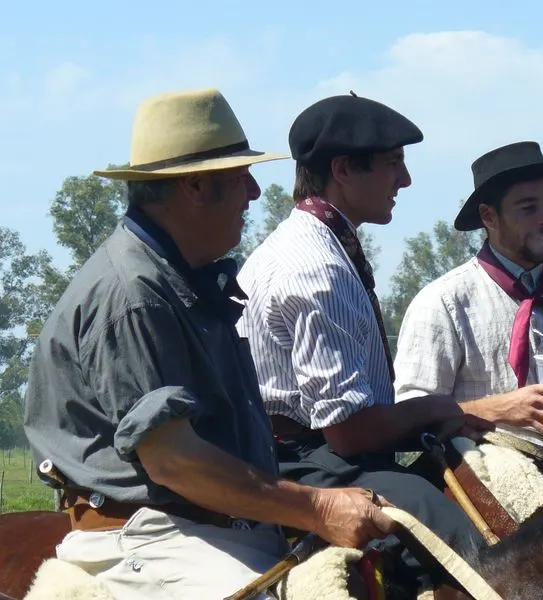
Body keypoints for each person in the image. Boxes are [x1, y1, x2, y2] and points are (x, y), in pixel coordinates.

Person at [23, 88, 397, 600]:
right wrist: (318, 507)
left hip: (217, 526)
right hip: (148, 537)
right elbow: (174, 461)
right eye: (239, 177)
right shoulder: (135, 295)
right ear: (196, 188)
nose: (255, 192)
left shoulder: (180, 279)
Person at [235, 93, 486, 589]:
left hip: (322, 452)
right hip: (299, 462)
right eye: (393, 164)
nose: (406, 180)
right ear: (344, 170)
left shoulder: (325, 246)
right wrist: (437, 408)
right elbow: (350, 432)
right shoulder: (316, 268)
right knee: (464, 543)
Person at [393, 141, 543, 456]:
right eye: (529, 208)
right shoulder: (444, 302)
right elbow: (410, 415)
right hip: (481, 475)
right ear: (489, 217)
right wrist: (498, 408)